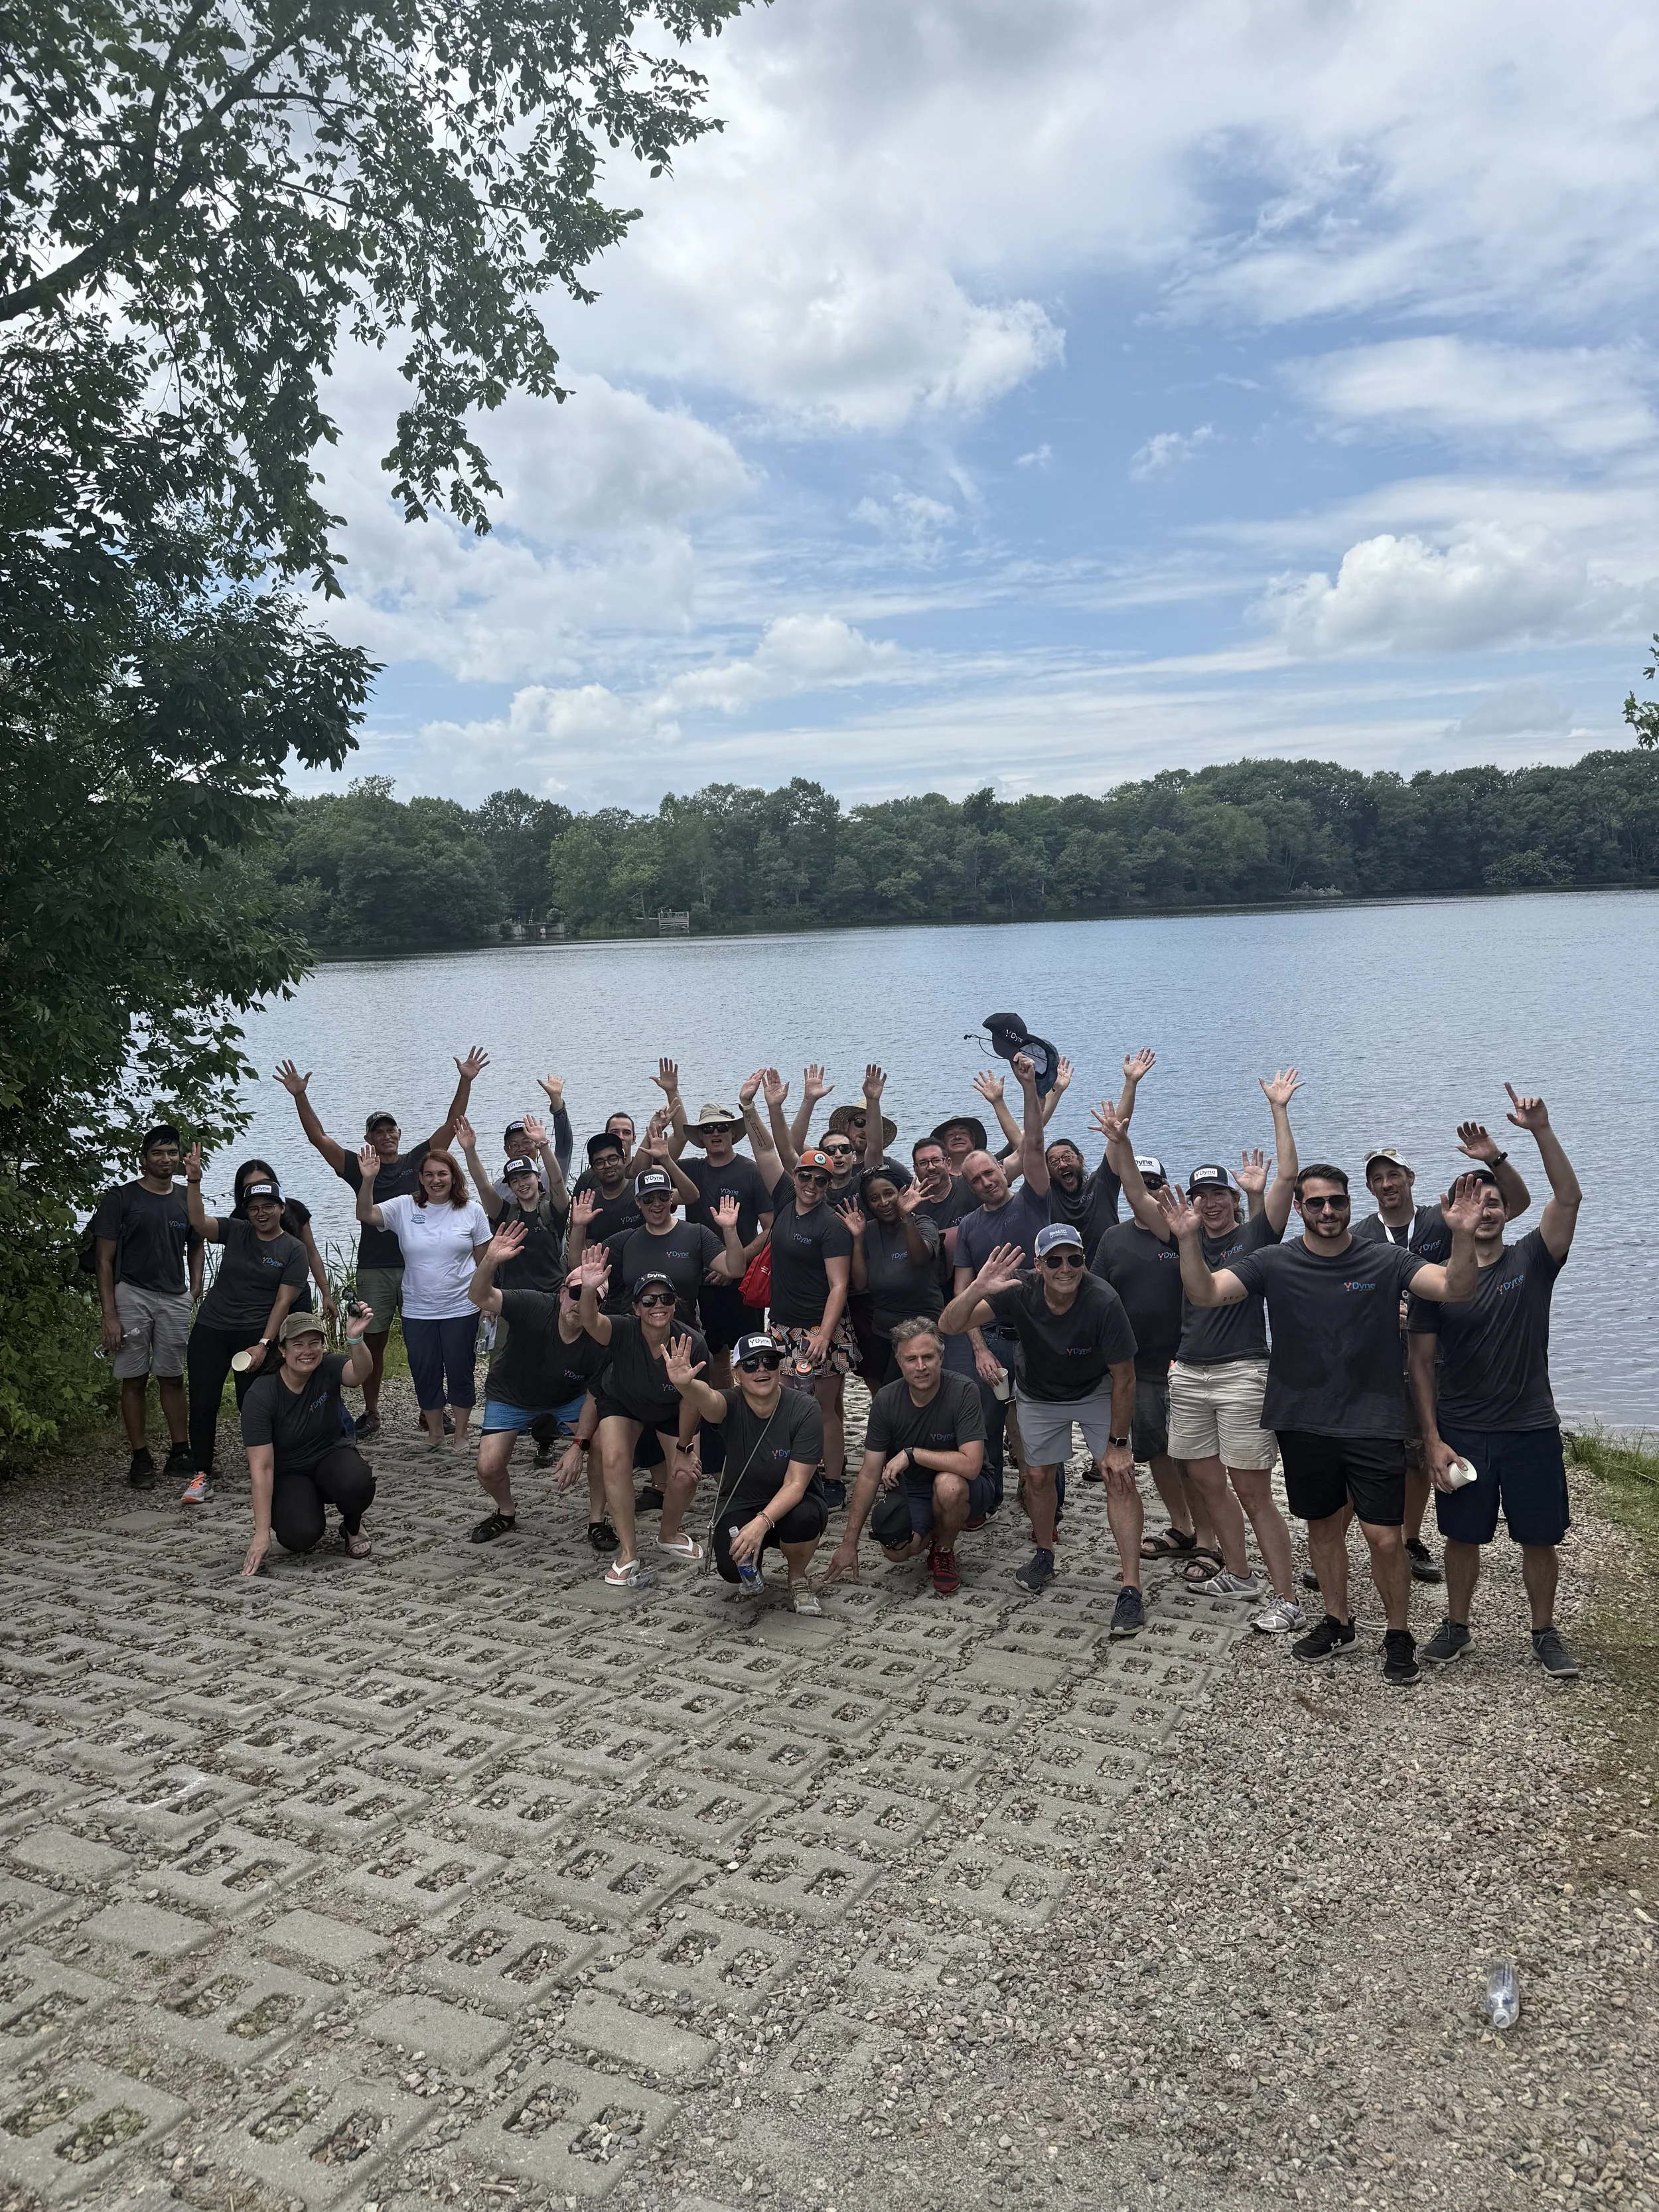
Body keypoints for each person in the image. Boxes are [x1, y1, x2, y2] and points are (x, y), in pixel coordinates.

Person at [1160, 1165, 1485, 1688]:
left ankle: (1398, 1634)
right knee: (1322, 1528)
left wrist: (1463, 1235)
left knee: (1384, 1538)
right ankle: (1337, 1622)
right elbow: (1205, 1292)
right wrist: (1187, 1240)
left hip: (1372, 1419)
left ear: (1350, 1203)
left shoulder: (1384, 1258)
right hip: (1303, 1419)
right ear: (1299, 1208)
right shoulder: (1274, 1261)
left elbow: (1455, 1286)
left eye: (1337, 1201)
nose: (1328, 1211)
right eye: (1316, 1203)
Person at [1106, 1071, 1306, 1633]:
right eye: (1201, 1195)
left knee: (1252, 1488)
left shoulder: (1256, 1236)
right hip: (1188, 1372)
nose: (1211, 1203)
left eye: (1220, 1194)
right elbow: (1134, 1192)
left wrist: (1279, 1109)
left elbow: (1288, 1177)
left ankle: (1287, 1597)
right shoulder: (1183, 1236)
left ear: (1234, 1200)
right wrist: (1122, 1141)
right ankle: (1239, 1573)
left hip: (1242, 1371)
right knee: (1207, 1480)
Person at [1408, 1089, 1583, 1679]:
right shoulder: (1434, 1283)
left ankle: (1544, 1631)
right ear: (1453, 1213)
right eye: (1473, 1201)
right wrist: (1432, 1438)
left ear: (1507, 1210)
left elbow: (1568, 1196)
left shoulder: (1533, 1259)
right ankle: (1457, 1626)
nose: (1485, 1210)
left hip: (1531, 1428)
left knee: (1539, 1538)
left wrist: (1537, 1133)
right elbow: (1421, 1365)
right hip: (1463, 1430)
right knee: (1462, 1538)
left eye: (1494, 1201)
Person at [275, 1047, 487, 1438]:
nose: (387, 1136)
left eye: (392, 1130)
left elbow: (452, 1123)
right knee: (373, 1340)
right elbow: (318, 1138)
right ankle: (372, 1411)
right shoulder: (360, 1167)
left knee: (433, 1340)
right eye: (379, 1132)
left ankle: (431, 1411)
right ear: (368, 1139)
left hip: (421, 1266)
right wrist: (300, 1096)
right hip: (376, 1267)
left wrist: (465, 1080)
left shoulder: (419, 1162)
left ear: (399, 1135)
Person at [1354, 1132, 1531, 1587]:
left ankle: (1410, 1540)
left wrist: (1495, 1158)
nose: (1388, 1183)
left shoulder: (1443, 1219)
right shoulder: (1361, 1235)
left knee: (1418, 1456)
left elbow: (1516, 1203)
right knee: (1367, 1455)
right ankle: (1342, 1545)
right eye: (1378, 1178)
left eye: (1394, 1174)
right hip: (1377, 1363)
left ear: (1411, 1178)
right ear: (1370, 1187)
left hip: (1437, 1361)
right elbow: (1345, 1293)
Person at [943, 1224, 1141, 1614]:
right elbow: (949, 1324)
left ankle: (1131, 1586)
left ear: (1083, 1261)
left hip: (1095, 1389)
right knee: (1037, 1476)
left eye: (1074, 1259)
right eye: (1054, 1261)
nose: (1065, 1269)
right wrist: (977, 1288)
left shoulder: (1103, 1300)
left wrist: (1118, 1447)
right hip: (1038, 1392)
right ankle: (1045, 1553)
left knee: (1119, 1477)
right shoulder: (1019, 1288)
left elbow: (1126, 1378)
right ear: (1038, 1264)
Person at [1089, 1152, 1220, 1572]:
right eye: (1138, 1183)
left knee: (1192, 1459)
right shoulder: (1113, 1238)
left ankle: (1209, 1540)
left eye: (1152, 1183)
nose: (1143, 1191)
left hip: (1186, 1366)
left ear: (1164, 1187)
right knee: (1157, 1454)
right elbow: (1096, 1297)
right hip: (1137, 1370)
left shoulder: (1184, 1234)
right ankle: (1182, 1528)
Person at [466, 1225, 614, 1548]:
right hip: (511, 1395)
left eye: (592, 1298)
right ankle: (505, 1512)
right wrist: (490, 1261)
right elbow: (479, 1296)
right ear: (562, 1293)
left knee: (603, 1445)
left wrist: (578, 1448)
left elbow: (594, 1397)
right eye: (576, 1293)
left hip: (569, 1399)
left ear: (601, 1308)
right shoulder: (533, 1304)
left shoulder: (603, 1338)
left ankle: (597, 1520)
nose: (580, 1304)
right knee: (488, 1467)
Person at [946, 1052, 1052, 1501]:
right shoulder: (970, 1227)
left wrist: (1028, 1088)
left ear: (1003, 1168)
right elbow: (963, 1291)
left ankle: (1047, 1504)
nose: (986, 1182)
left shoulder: (1034, 1199)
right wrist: (979, 1349)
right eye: (976, 1180)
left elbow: (1034, 1145)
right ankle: (983, 1501)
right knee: (985, 1423)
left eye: (990, 1172)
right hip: (991, 1335)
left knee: (1040, 1427)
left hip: (1038, 1331)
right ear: (969, 1186)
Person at [824, 1318, 989, 1597]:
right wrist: (849, 1543)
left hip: (967, 1485)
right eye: (911, 1359)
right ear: (900, 1363)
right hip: (913, 1488)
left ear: (941, 1357)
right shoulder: (886, 1400)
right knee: (896, 1551)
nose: (920, 1367)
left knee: (949, 1486)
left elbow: (972, 1466)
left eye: (928, 1357)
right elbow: (869, 1473)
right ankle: (936, 1527)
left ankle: (944, 1549)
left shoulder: (964, 1390)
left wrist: (913, 1455)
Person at [665, 1329, 829, 1612]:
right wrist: (686, 1385)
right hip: (742, 1501)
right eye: (751, 1364)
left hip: (794, 1503)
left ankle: (797, 1577)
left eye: (770, 1362)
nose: (761, 1369)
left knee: (806, 1517)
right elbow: (707, 1399)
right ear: (736, 1373)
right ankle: (754, 1568)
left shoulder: (805, 1408)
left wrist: (760, 1523)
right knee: (731, 1570)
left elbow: (796, 1484)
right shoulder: (729, 1402)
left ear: (780, 1368)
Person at [181, 1147, 311, 1499]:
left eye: (268, 1206)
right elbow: (199, 1223)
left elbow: (283, 1303)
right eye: (254, 1208)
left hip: (255, 1334)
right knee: (203, 1401)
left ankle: (273, 1467)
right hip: (212, 1327)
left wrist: (265, 1345)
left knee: (252, 1404)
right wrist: (194, 1181)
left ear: (281, 1208)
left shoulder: (293, 1250)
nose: (261, 1213)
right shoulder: (236, 1231)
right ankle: (201, 1474)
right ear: (246, 1211)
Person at [575, 1253, 709, 1585]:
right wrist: (589, 1290)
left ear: (675, 1305)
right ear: (636, 1308)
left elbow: (693, 1400)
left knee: (686, 1475)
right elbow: (591, 1322)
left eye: (666, 1299)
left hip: (672, 1409)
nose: (657, 1306)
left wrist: (684, 1448)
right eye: (648, 1300)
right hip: (624, 1403)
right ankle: (628, 1551)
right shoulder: (623, 1329)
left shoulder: (693, 1343)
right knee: (613, 1459)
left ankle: (669, 1533)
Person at [352, 1143, 492, 1449]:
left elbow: (485, 1262)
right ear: (420, 1178)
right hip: (418, 1310)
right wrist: (368, 1179)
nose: (435, 1180)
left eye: (442, 1174)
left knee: (460, 1369)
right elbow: (364, 1213)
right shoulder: (405, 1206)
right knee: (424, 1370)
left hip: (461, 1307)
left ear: (454, 1177)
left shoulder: (472, 1211)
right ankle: (435, 1433)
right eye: (429, 1174)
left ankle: (462, 1433)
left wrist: (487, 1303)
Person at [92, 1125, 202, 1488]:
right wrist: (110, 1315)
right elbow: (104, 1260)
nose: (165, 1159)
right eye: (157, 1153)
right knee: (134, 1377)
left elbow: (197, 1242)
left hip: (174, 1296)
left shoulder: (186, 1196)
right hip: (131, 1293)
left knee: (172, 1375)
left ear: (179, 1157)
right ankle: (140, 1458)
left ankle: (180, 1452)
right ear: (144, 1158)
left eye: (171, 1152)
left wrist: (195, 1287)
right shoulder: (121, 1199)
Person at [240, 1307, 378, 1575]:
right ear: (282, 1350)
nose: (308, 1351)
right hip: (290, 1472)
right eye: (298, 1344)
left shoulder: (327, 1366)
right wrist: (261, 1533)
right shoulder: (261, 1396)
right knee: (299, 1536)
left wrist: (356, 1339)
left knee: (356, 1480)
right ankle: (306, 1507)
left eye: (315, 1343)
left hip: (331, 1457)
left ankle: (352, 1526)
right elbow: (262, 1468)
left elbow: (360, 1373)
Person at [760, 1123, 857, 1500]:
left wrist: (824, 1335)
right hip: (783, 1327)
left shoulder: (832, 1225)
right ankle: (796, 1476)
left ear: (829, 1185)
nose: (811, 1185)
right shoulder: (785, 1200)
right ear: (796, 1176)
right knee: (787, 1406)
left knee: (823, 1409)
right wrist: (750, 1107)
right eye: (806, 1177)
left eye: (821, 1180)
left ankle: (832, 1481)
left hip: (821, 1328)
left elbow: (839, 1285)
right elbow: (767, 1150)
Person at [670, 1089, 775, 1386]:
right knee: (714, 1354)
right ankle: (725, 1408)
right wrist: (672, 1093)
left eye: (722, 1127)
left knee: (752, 1352)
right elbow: (647, 1170)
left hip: (743, 1281)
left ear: (733, 1133)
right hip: (702, 1281)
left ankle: (760, 1404)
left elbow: (770, 1228)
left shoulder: (751, 1171)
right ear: (701, 1137)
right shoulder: (690, 1170)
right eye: (708, 1129)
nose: (715, 1133)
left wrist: (735, 1263)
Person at [839, 1171, 942, 1385]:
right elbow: (860, 1284)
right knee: (885, 1390)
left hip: (922, 1327)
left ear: (901, 1193)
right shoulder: (868, 1231)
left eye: (889, 1194)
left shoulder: (923, 1223)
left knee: (909, 1386)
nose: (883, 1202)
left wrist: (906, 1218)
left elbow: (920, 1258)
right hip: (883, 1330)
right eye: (874, 1198)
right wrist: (857, 1239)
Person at [457, 1114, 569, 1293]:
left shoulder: (554, 1210)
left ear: (539, 1177)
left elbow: (557, 1180)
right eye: (515, 1180)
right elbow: (483, 1185)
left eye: (526, 1177)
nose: (521, 1184)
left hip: (552, 1296)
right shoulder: (506, 1213)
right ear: (509, 1186)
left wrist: (542, 1144)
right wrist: (469, 1150)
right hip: (513, 1297)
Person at [232, 1159, 336, 1322]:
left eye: (265, 1182)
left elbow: (312, 1254)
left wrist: (326, 1294)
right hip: (256, 1300)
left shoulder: (296, 1210)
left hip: (297, 1293)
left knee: (301, 1335)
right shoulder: (238, 1219)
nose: (259, 1189)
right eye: (250, 1186)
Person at [569, 1130, 644, 1246]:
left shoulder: (642, 1190)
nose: (607, 1165)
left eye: (613, 1159)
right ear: (593, 1169)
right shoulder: (589, 1204)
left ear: (624, 1161)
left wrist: (665, 1159)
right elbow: (581, 1255)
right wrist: (579, 1226)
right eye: (599, 1163)